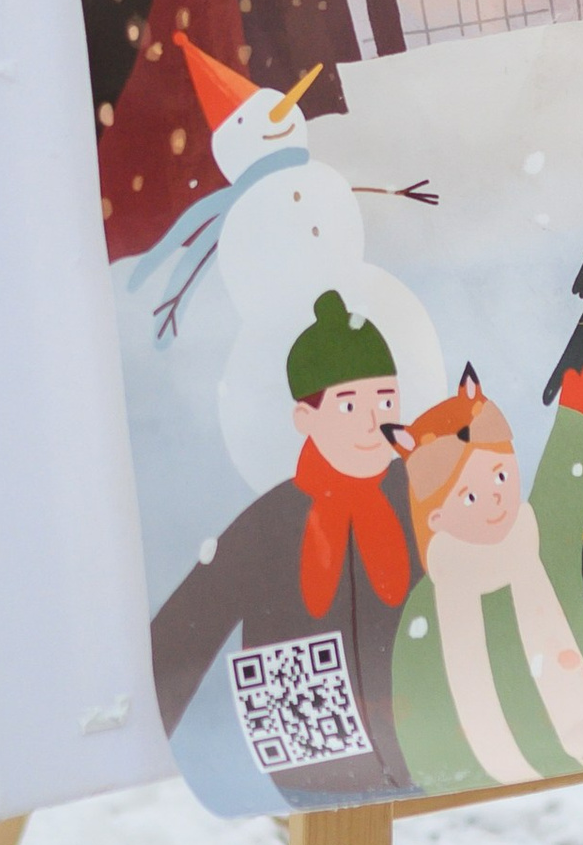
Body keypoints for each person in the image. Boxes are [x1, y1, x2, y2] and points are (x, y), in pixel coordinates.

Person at [148, 287, 419, 798]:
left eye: (386, 400)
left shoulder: (423, 493)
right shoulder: (273, 521)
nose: (372, 421)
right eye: (348, 404)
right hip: (307, 750)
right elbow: (189, 625)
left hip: (422, 730)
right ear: (305, 419)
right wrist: (136, 733)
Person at [388, 360, 583, 791]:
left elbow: (560, 492)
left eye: (501, 475)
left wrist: (579, 419)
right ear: (436, 518)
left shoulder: (529, 541)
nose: (495, 499)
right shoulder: (431, 607)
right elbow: (414, 694)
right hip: (459, 764)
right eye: (469, 497)